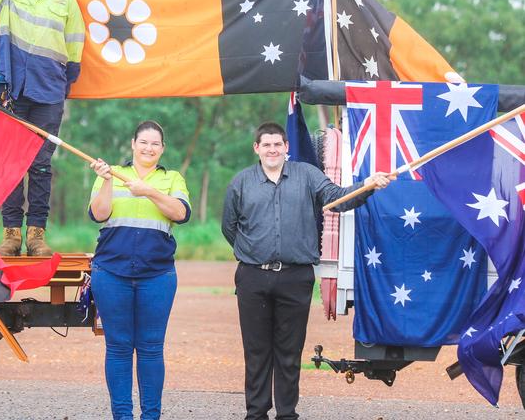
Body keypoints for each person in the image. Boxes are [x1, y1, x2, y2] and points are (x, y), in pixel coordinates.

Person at [221, 122, 393, 420]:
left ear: (286, 147)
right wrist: (252, 252)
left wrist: (369, 185)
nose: (272, 149)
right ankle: (256, 413)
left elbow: (338, 199)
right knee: (257, 351)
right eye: (267, 145)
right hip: (253, 277)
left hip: (295, 277)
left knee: (289, 353)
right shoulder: (241, 182)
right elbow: (229, 227)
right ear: (257, 148)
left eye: (278, 144)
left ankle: (287, 414)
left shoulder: (307, 175)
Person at [0, 0, 85, 256]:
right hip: (10, 87)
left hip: (49, 90)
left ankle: (36, 237)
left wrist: (65, 82)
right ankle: (11, 235)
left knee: (40, 164)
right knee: (10, 162)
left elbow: (75, 43)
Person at [89, 121, 191, 420]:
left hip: (157, 276)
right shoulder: (111, 174)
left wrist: (148, 191)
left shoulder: (172, 178)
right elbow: (99, 214)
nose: (148, 148)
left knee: (150, 348)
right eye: (143, 142)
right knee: (118, 347)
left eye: (155, 144)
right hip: (110, 273)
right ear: (133, 144)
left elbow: (180, 213)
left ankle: (151, 416)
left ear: (162, 149)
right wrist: (107, 181)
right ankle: (122, 416)